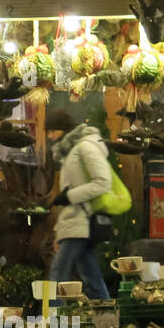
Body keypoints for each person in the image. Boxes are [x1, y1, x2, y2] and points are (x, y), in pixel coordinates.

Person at [45, 109, 113, 300]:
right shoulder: (70, 151)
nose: (50, 136)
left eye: (52, 131)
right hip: (75, 223)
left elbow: (102, 181)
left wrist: (69, 196)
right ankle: (106, 318)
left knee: (58, 275)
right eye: (47, 132)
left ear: (65, 129)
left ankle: (53, 322)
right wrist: (59, 231)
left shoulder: (85, 147)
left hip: (82, 221)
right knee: (91, 278)